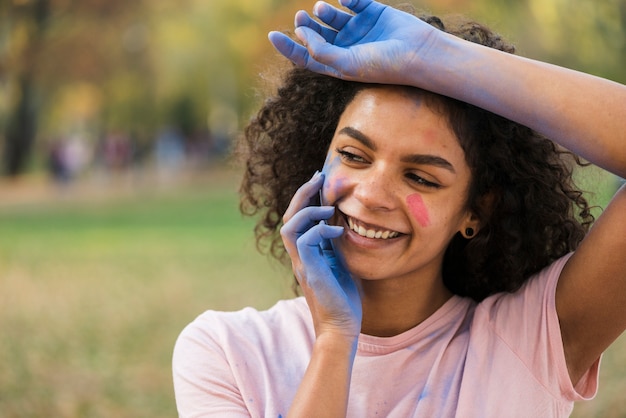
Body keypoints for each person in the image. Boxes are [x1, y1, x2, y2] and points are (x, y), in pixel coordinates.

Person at [172, 0, 626, 416]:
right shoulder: (227, 352)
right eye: (353, 156)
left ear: (476, 212)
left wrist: (437, 56)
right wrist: (334, 339)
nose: (370, 194)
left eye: (421, 178)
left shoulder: (532, 340)